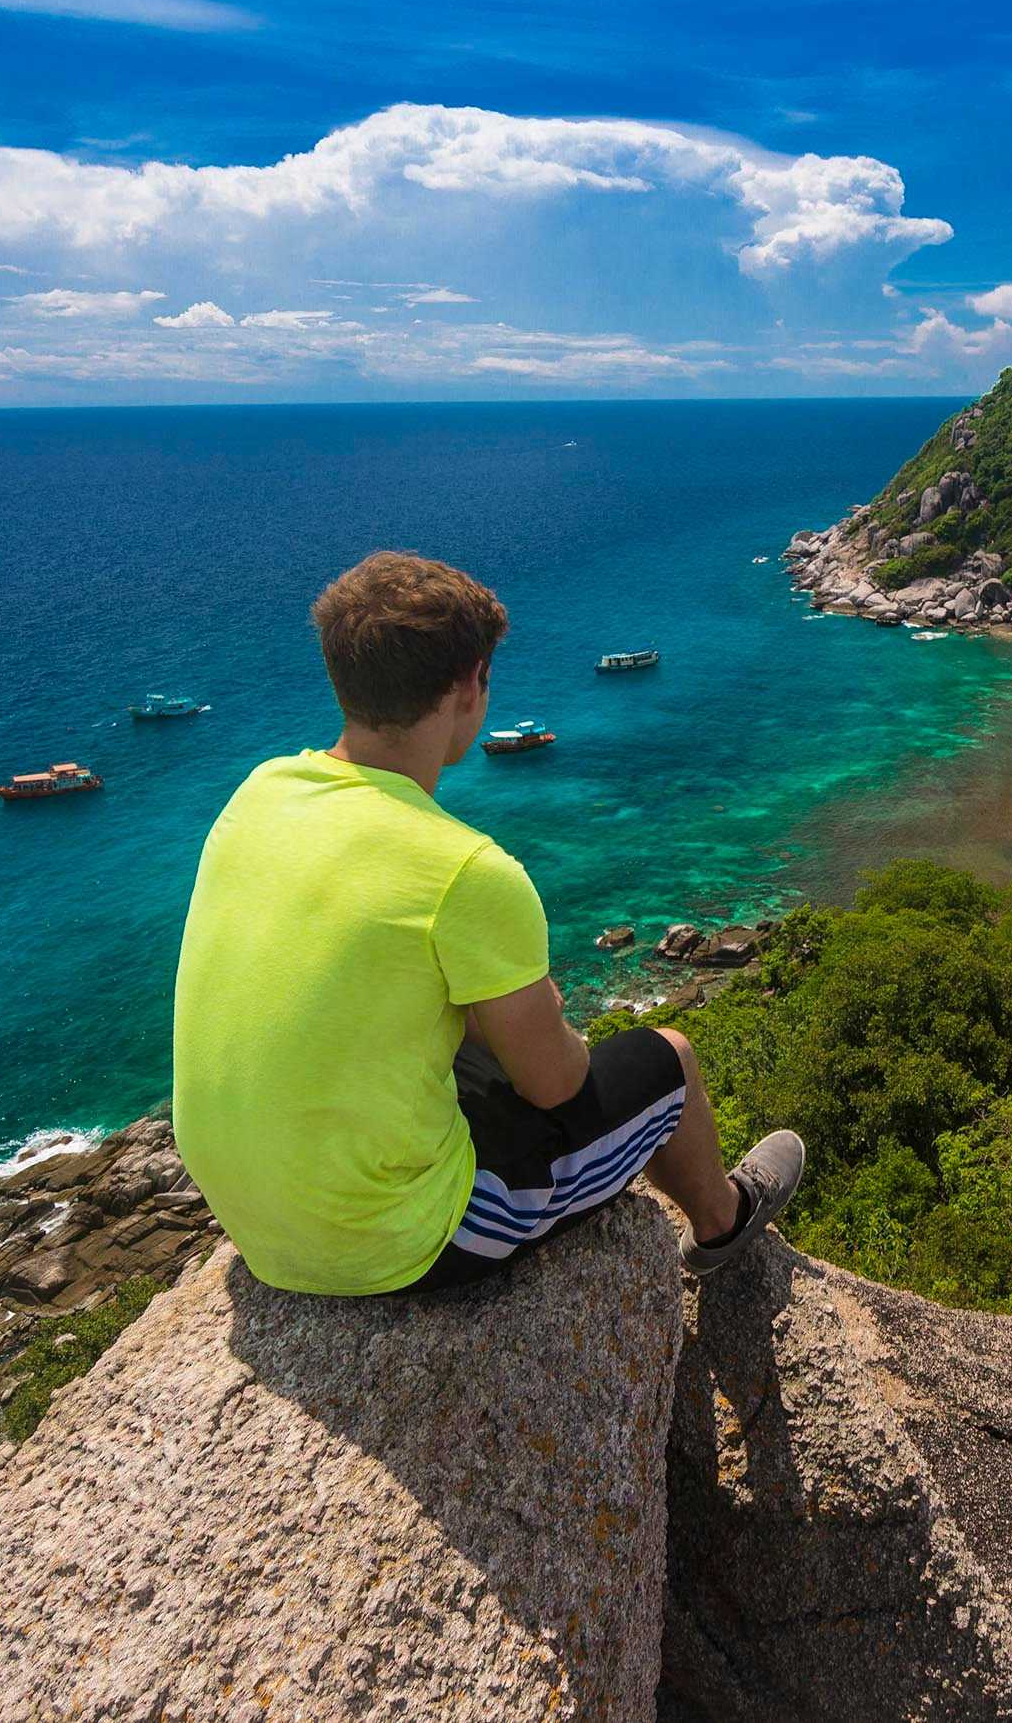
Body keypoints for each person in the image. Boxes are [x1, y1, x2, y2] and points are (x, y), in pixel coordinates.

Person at [171, 548, 802, 1295]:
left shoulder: (260, 792)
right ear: (470, 683)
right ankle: (723, 1222)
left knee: (464, 1027)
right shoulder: (467, 870)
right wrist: (549, 1021)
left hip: (256, 1221)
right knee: (667, 1058)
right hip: (400, 1241)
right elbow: (557, 1086)